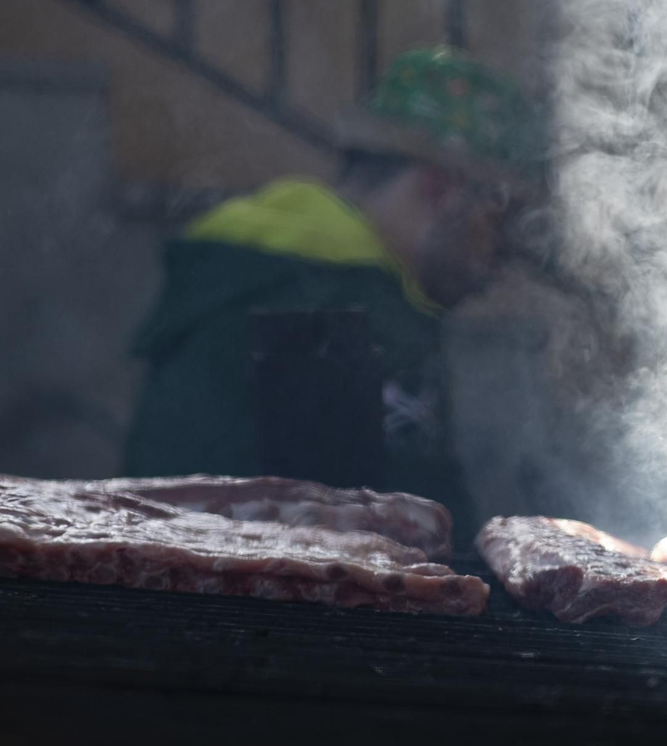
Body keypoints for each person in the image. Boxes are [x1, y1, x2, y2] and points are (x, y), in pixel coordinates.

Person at [121, 46, 541, 529]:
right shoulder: (364, 318)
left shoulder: (234, 268)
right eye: (501, 222)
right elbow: (424, 534)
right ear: (440, 188)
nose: (498, 263)